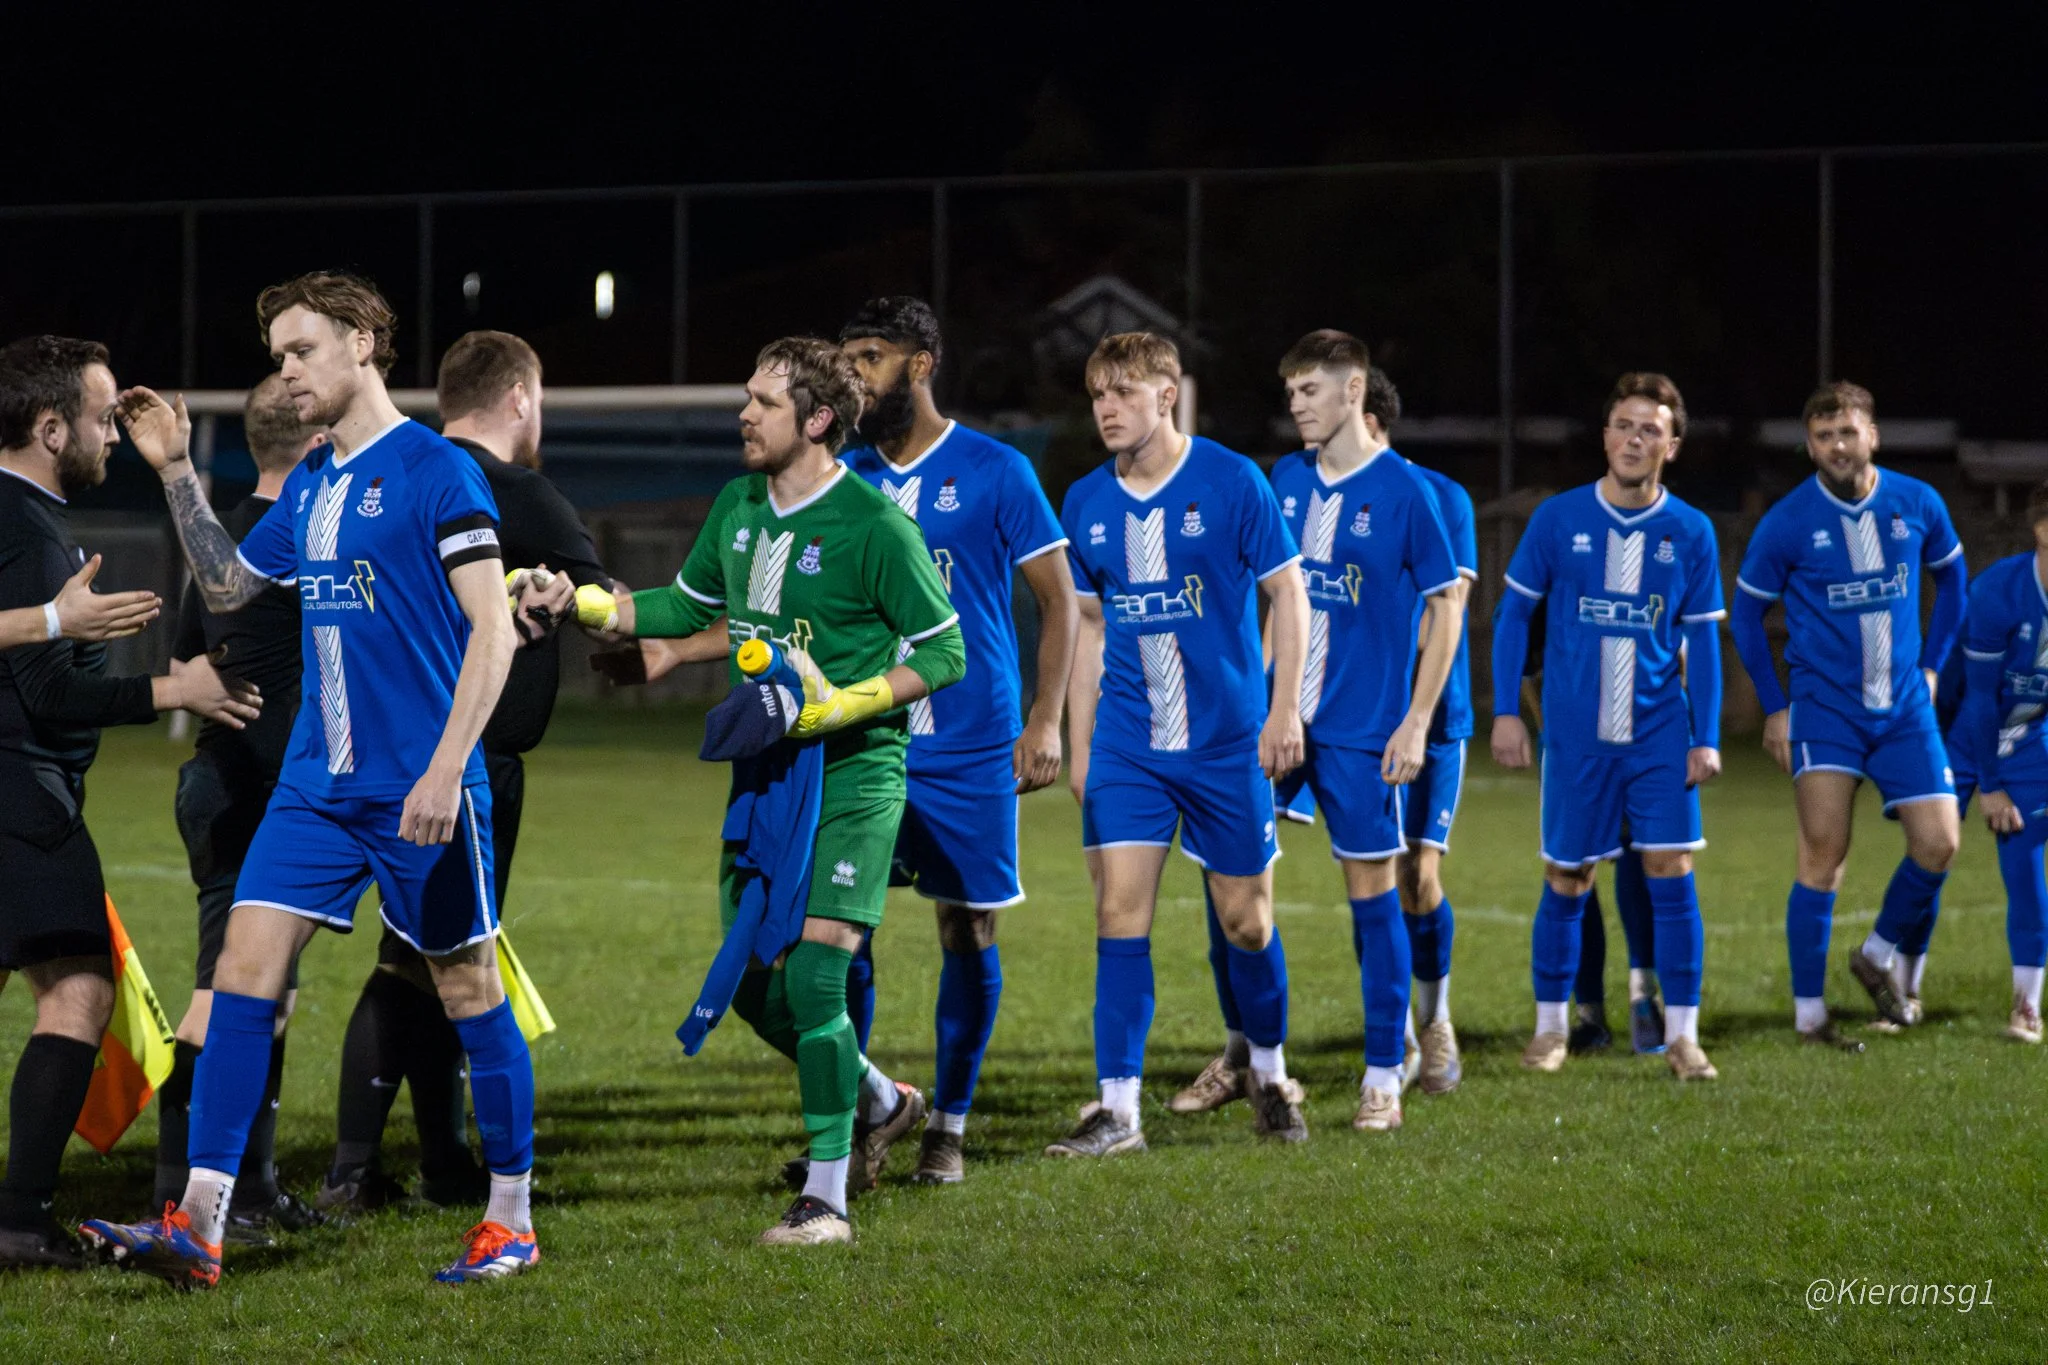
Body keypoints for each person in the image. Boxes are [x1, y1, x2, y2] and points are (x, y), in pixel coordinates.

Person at [80, 272, 530, 1288]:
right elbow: (234, 589)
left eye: (301, 349)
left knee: (466, 987)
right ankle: (200, 1222)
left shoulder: (435, 470)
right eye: (278, 354)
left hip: (421, 787)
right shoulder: (319, 480)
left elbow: (493, 631)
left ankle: (511, 1215)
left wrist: (446, 771)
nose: (285, 370)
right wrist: (176, 473)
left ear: (366, 343)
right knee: (243, 972)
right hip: (318, 786)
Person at [586, 336, 964, 1245]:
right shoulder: (739, 503)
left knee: (819, 972)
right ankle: (878, 1098)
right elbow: (681, 608)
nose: (743, 415)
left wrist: (843, 706)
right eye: (744, 398)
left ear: (819, 420)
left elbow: (945, 651)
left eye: (762, 401)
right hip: (767, 777)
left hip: (857, 775)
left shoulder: (874, 526)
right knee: (759, 987)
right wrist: (580, 602)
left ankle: (827, 1194)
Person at [321, 329, 613, 1213]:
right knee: (445, 963)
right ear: (520, 397)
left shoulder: (396, 475)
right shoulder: (518, 491)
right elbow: (603, 607)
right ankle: (365, 1166)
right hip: (466, 767)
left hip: (380, 752)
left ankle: (433, 1159)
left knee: (422, 957)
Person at [0, 335, 256, 1270]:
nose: (110, 432)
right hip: (21, 794)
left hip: (25, 788)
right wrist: (171, 691)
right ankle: (20, 1220)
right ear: (49, 424)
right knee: (80, 987)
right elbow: (50, 694)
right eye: (102, 416)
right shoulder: (25, 527)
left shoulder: (29, 516)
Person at [1049, 331, 1310, 1156]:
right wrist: (1080, 745)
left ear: (1168, 395)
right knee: (1118, 910)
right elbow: (1088, 627)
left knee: (1247, 923)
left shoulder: (1233, 481)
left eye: (1123, 393)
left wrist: (1283, 711)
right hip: (1131, 741)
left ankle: (1268, 1072)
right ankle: (1118, 1111)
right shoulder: (1085, 500)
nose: (1106, 409)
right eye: (1098, 395)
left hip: (1227, 741)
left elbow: (1289, 593)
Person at [838, 298, 1078, 1184]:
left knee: (966, 927)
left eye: (872, 355)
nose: (857, 373)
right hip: (866, 736)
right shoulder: (842, 473)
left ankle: (952, 1124)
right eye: (848, 357)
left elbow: (1057, 600)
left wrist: (1045, 720)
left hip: (971, 742)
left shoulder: (996, 469)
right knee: (841, 931)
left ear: (923, 362)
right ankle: (856, 1122)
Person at [1491, 372, 1724, 1081]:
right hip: (1576, 736)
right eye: (1623, 425)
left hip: (1658, 734)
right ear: (1605, 436)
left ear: (1671, 445)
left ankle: (1682, 1036)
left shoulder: (1691, 530)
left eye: (1650, 428)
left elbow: (1706, 642)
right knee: (1568, 876)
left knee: (1671, 871)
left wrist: (1706, 734)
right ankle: (1552, 1027)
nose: (1634, 438)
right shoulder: (1558, 519)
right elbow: (1510, 619)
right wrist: (1506, 710)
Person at [1263, 332, 1461, 1133]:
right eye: (1291, 391)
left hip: (1361, 729)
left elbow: (1447, 604)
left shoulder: (1407, 493)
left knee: (1373, 898)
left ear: (1354, 392)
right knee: (1235, 886)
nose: (1296, 404)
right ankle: (1255, 1063)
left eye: (1309, 389)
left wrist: (1416, 722)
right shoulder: (1281, 480)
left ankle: (1385, 1072)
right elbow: (1272, 597)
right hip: (1280, 718)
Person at [1730, 382, 1966, 1048]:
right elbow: (1746, 613)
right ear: (1810, 445)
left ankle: (1877, 952)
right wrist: (1777, 706)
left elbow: (1953, 577)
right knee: (1824, 854)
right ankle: (1810, 1017)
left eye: (1849, 432)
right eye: (1824, 435)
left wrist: (1933, 663)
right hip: (1826, 710)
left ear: (1873, 436)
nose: (1838, 445)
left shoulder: (1916, 502)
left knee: (1940, 841)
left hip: (1904, 708)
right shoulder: (1787, 520)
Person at [153, 375, 328, 1242]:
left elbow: (193, 652)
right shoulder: (283, 544)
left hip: (232, 783)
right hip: (246, 792)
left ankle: (247, 1187)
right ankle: (178, 1188)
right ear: (316, 443)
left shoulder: (221, 536)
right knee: (220, 1000)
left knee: (263, 997)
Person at [1951, 482, 2048, 1043]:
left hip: (2035, 737)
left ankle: (2026, 1007)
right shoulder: (1997, 591)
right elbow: (1979, 698)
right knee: (1932, 850)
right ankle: (1903, 989)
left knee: (2025, 856)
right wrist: (1989, 784)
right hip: (1967, 733)